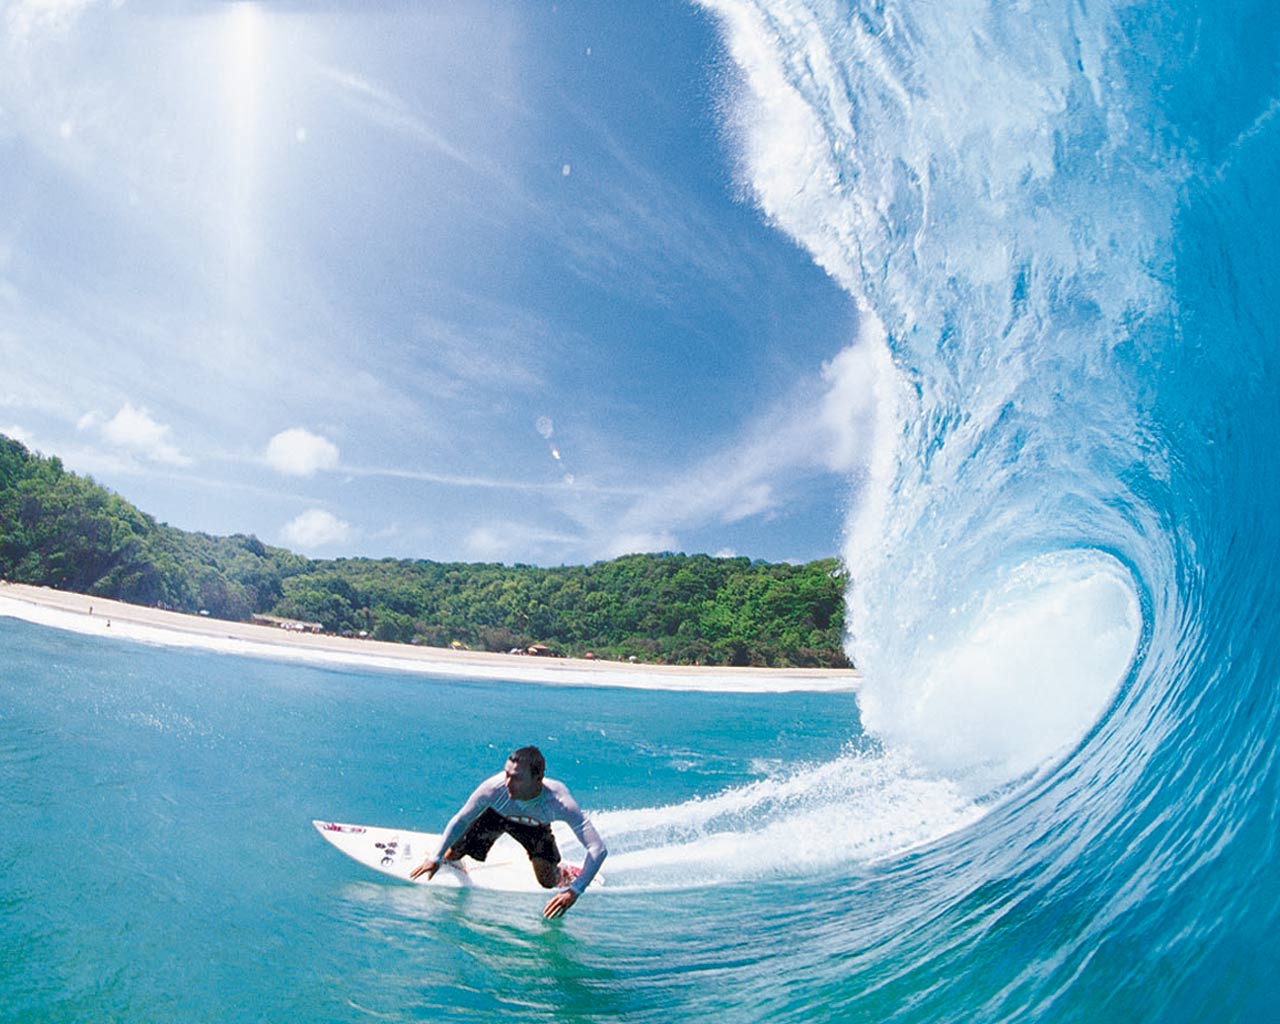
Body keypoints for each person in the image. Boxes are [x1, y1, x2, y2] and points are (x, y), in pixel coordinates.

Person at [410, 746, 607, 919]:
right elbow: (461, 820)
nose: (507, 783)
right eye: (507, 774)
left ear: (538, 778)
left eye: (517, 778)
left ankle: (563, 872)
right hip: (494, 816)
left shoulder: (559, 802)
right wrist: (435, 858)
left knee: (548, 881)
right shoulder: (492, 789)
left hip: (535, 827)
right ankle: (454, 855)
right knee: (451, 856)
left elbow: (598, 849)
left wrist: (574, 891)